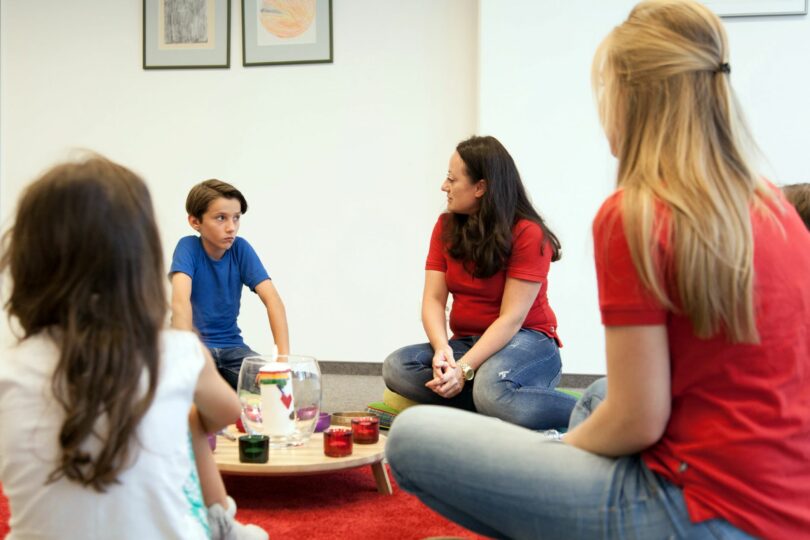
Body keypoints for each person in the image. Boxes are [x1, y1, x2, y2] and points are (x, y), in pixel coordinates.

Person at [386, 1, 810, 538]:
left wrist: (564, 454)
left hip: (695, 510)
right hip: (786, 508)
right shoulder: (775, 206)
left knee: (412, 437)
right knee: (596, 395)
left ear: (632, 96)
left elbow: (637, 421)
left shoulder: (636, 213)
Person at [0, 156, 264, 538]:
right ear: (139, 257)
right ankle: (223, 524)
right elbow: (228, 411)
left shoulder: (8, 371)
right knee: (192, 416)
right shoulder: (178, 354)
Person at [382, 135, 576, 430]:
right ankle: (493, 403)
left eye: (452, 179)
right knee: (398, 366)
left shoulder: (528, 233)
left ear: (480, 187)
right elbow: (433, 299)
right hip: (468, 343)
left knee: (489, 389)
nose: (444, 186)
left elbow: (511, 319)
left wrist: (463, 369)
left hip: (527, 340)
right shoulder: (445, 227)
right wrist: (442, 350)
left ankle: (595, 411)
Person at [170, 179, 289, 389]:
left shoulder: (241, 249)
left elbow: (273, 301)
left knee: (276, 388)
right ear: (195, 222)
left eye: (236, 218)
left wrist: (281, 360)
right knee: (182, 392)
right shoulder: (187, 247)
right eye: (221, 218)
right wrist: (185, 355)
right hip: (194, 348)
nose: (231, 227)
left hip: (233, 348)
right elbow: (180, 303)